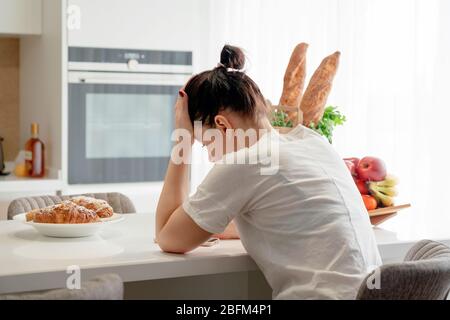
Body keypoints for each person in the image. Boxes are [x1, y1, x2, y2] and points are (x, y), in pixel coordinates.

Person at [155, 44, 381, 299]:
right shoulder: (313, 142)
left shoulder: (245, 161)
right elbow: (290, 218)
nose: (210, 156)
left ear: (223, 125)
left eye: (206, 144)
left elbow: (167, 237)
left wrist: (181, 140)